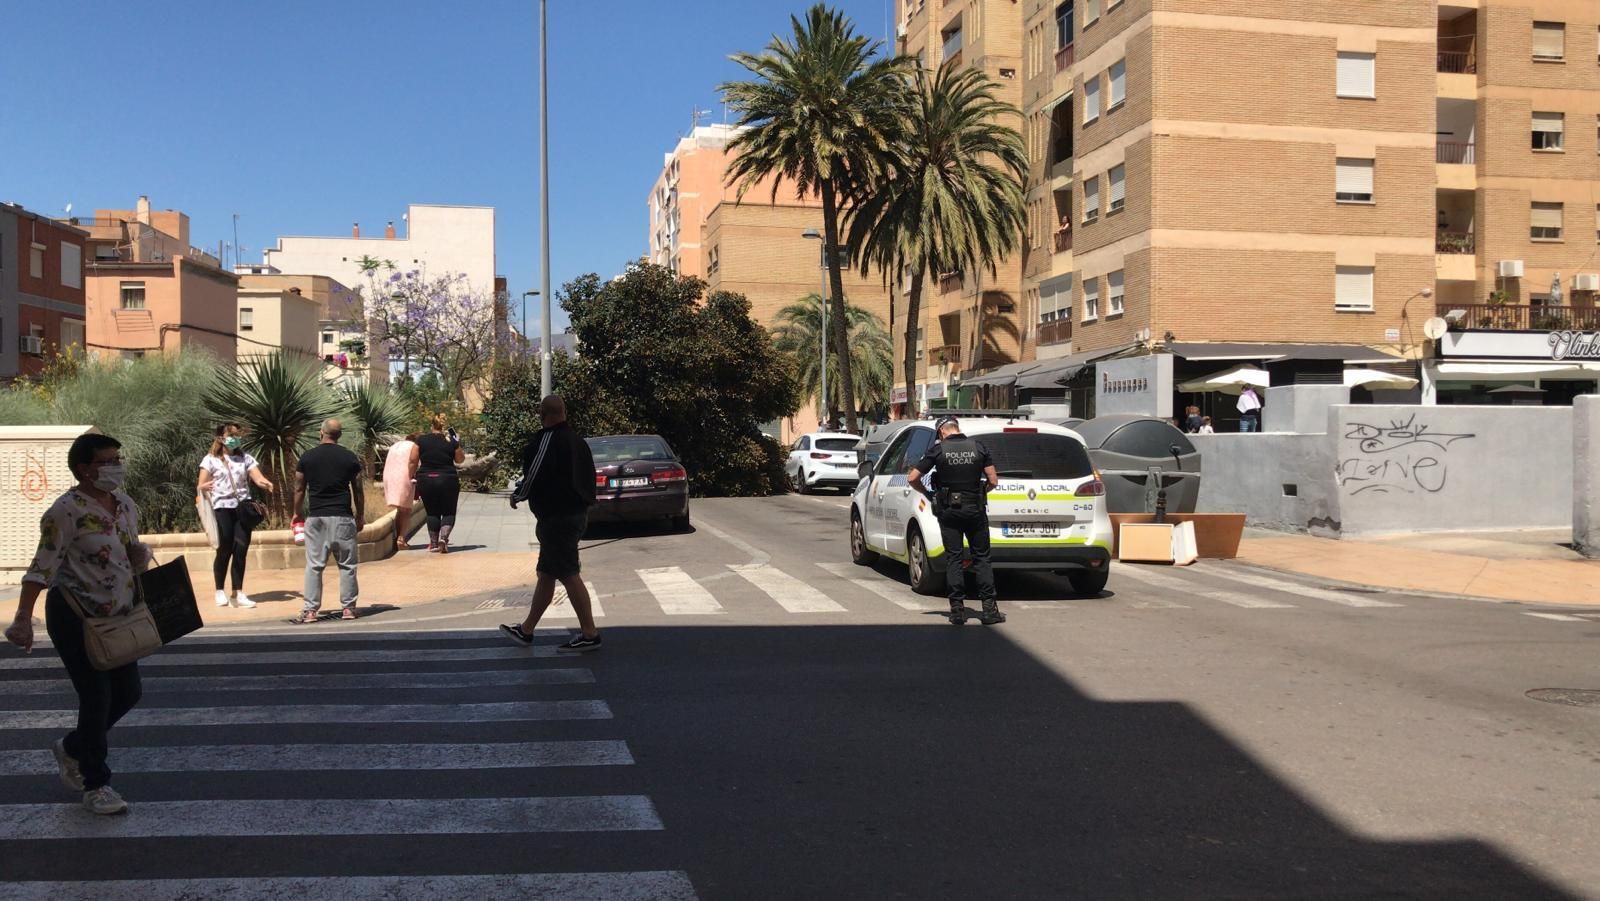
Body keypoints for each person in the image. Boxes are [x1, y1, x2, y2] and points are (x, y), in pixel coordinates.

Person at [5, 433, 151, 815]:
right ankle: (96, 783)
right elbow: (42, 566)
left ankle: (71, 747)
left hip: (117, 615)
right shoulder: (64, 511)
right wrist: (23, 618)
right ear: (85, 469)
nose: (116, 465)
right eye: (107, 460)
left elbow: (125, 557)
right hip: (75, 615)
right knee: (97, 696)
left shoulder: (125, 505)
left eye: (118, 458)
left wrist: (141, 557)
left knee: (129, 693)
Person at [500, 395, 601, 653]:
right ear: (564, 412)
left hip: (557, 519)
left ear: (543, 414)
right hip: (575, 514)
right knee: (547, 574)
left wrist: (518, 495)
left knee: (568, 574)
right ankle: (526, 630)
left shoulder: (548, 439)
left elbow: (533, 473)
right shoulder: (578, 441)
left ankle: (589, 633)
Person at [905, 416, 1003, 626]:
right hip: (975, 509)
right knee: (982, 557)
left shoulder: (938, 450)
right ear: (956, 429)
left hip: (949, 510)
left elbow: (913, 477)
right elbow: (993, 480)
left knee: (954, 558)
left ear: (941, 433)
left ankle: (957, 610)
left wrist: (929, 493)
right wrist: (980, 493)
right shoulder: (978, 447)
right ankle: (988, 609)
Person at [292, 418, 364, 624]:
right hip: (342, 516)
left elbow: (299, 487)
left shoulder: (308, 457)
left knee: (314, 565)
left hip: (316, 517)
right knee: (347, 565)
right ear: (339, 435)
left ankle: (310, 610)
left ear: (321, 432)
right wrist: (360, 514)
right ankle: (348, 608)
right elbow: (357, 489)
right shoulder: (349, 458)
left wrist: (297, 513)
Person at [196, 423, 274, 609]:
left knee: (241, 549)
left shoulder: (245, 458)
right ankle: (219, 590)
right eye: (231, 435)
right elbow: (201, 485)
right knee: (224, 548)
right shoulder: (210, 460)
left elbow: (257, 477)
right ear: (221, 438)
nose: (235, 438)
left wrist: (265, 483)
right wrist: (203, 487)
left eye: (237, 435)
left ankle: (237, 592)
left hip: (242, 507)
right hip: (222, 507)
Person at [415, 415, 465, 553]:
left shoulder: (421, 440)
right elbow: (460, 460)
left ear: (431, 426)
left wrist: (411, 476)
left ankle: (434, 543)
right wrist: (457, 443)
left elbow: (413, 460)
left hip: (426, 478)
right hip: (447, 479)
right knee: (449, 511)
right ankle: (444, 538)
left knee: (432, 512)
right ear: (444, 427)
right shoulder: (451, 441)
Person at [383, 432, 421, 551]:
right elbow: (413, 462)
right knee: (406, 509)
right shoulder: (414, 446)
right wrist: (412, 475)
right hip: (404, 476)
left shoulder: (395, 445)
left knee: (400, 508)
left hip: (389, 476)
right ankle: (401, 539)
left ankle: (399, 538)